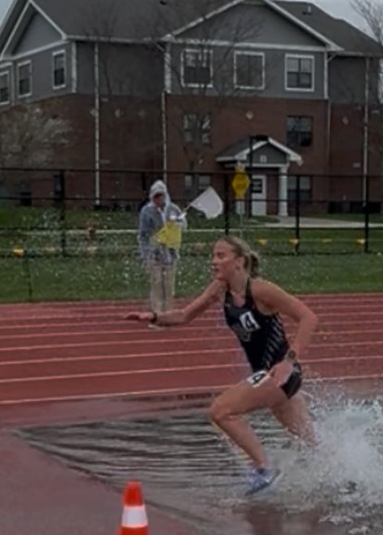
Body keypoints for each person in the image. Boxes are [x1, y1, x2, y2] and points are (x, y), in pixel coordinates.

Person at [123, 235, 318, 495]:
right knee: (312, 445)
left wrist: (289, 362)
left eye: (221, 256)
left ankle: (263, 468)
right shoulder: (220, 291)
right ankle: (348, 476)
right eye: (213, 255)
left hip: (280, 375)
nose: (213, 261)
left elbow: (308, 317)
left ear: (239, 262)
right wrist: (154, 317)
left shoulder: (260, 290)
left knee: (220, 411)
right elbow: (184, 316)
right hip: (265, 377)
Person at [137, 180, 181, 322]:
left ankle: (168, 314)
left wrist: (177, 222)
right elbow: (143, 234)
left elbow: (182, 227)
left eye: (161, 196)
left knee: (168, 286)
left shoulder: (173, 209)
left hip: (170, 253)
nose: (159, 199)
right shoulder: (146, 211)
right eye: (156, 196)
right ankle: (157, 314)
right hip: (154, 253)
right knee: (156, 285)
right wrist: (146, 254)